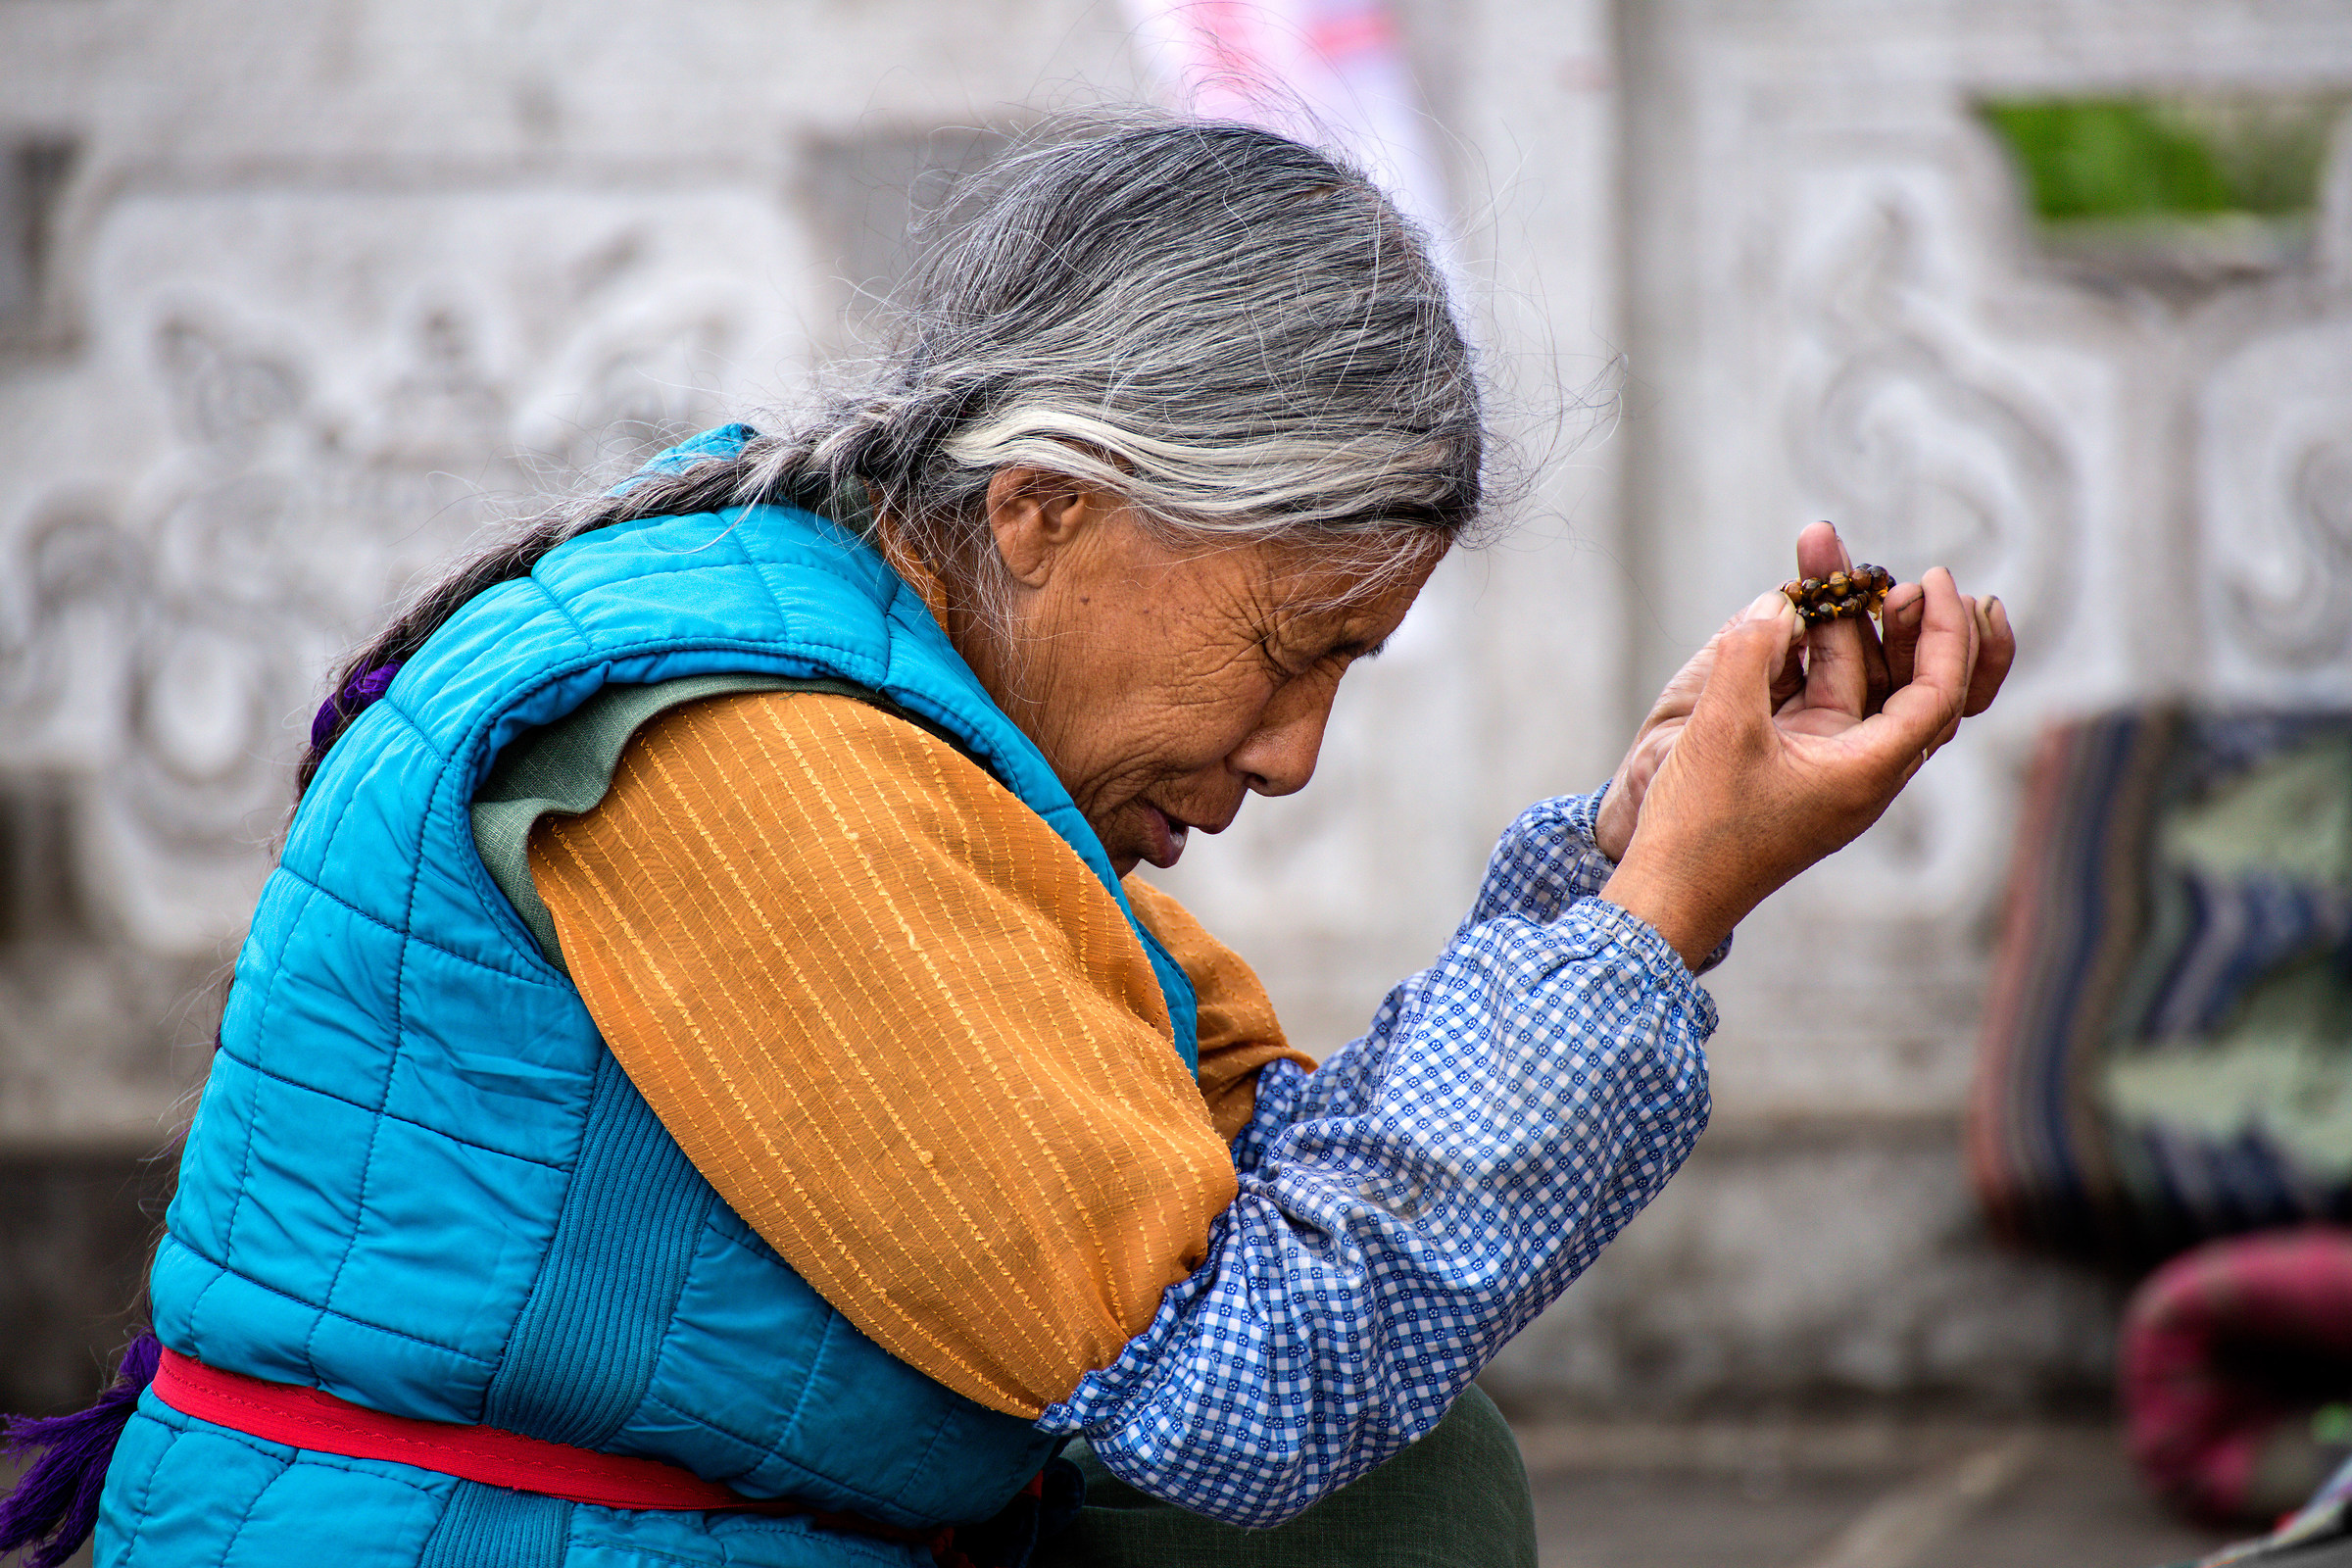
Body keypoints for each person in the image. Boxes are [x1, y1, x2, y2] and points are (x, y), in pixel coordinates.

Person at [0, 115, 2012, 1568]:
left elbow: (1270, 1188)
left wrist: (1628, 856)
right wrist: (1656, 924)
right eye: (1291, 651)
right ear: (1046, 503)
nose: (1297, 757)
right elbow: (1237, 1375)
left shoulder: (929, 739)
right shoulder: (745, 757)